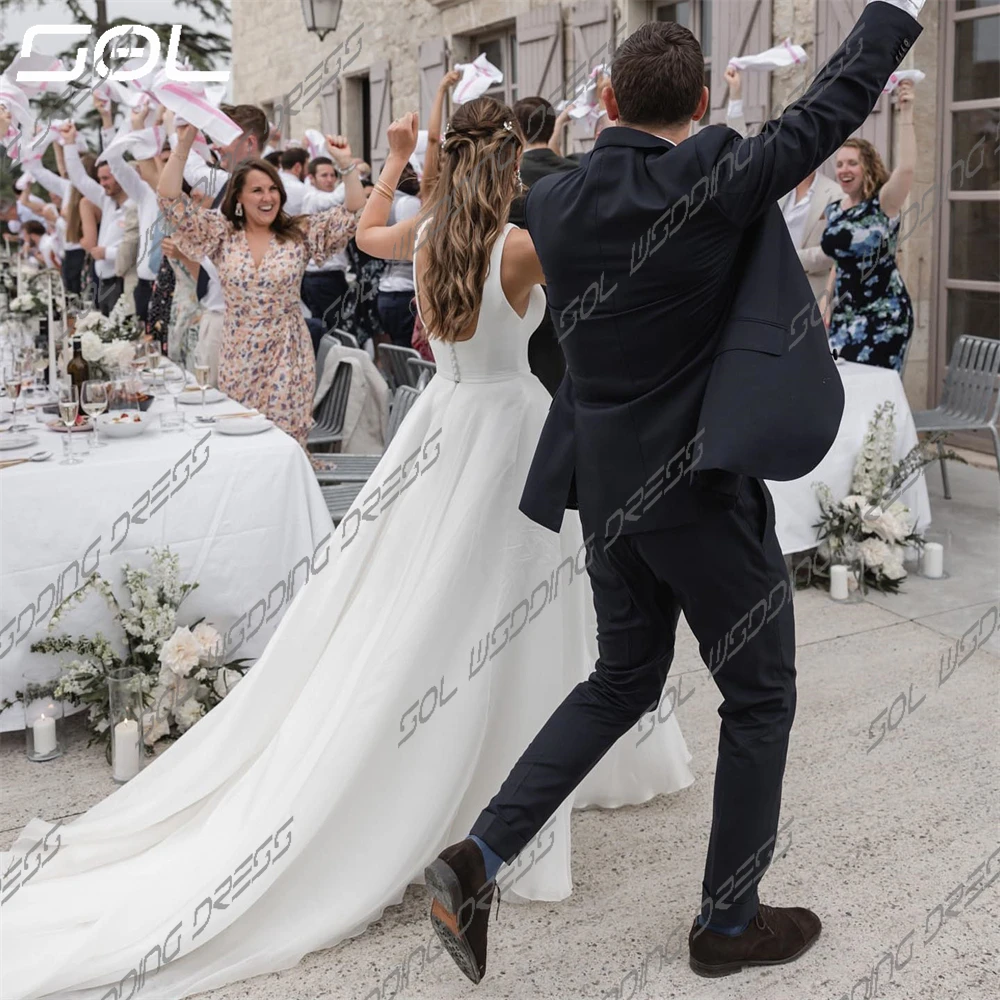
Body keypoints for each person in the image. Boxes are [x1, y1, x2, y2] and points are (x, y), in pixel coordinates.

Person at [0, 102, 695, 1000]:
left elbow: (366, 233)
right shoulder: (520, 249)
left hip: (441, 426)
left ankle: (496, 765)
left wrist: (405, 159)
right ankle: (507, 792)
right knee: (521, 604)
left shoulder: (429, 235)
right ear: (513, 173)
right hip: (512, 430)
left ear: (453, 172)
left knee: (430, 600)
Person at [427, 0, 925, 986]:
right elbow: (826, 112)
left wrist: (451, 112)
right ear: (701, 102)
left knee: (621, 679)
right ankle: (727, 922)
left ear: (607, 98)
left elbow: (481, 173)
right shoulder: (713, 171)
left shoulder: (552, 194)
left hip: (604, 492)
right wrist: (895, 14)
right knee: (760, 693)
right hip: (696, 492)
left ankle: (477, 855)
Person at [156, 124, 361, 448]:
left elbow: (352, 212)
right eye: (257, 191)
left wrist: (346, 165)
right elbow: (169, 200)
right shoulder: (221, 232)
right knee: (242, 444)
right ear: (238, 197)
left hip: (288, 353)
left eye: (273, 189)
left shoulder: (299, 231)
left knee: (284, 444)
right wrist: (182, 144)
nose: (267, 198)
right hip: (238, 354)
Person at [821, 80, 918, 372]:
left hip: (884, 316)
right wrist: (826, 300)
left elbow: (908, 169)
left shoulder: (883, 204)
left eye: (852, 163)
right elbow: (840, 262)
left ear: (867, 167)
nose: (843, 170)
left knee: (875, 397)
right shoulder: (835, 209)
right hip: (845, 315)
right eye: (839, 164)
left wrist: (907, 112)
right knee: (842, 392)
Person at [725, 67, 841, 305]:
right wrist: (735, 94)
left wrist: (786, 259)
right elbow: (740, 158)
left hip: (809, 297)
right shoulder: (773, 184)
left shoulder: (834, 193)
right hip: (765, 293)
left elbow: (832, 251)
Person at [59, 121, 128, 313]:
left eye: (106, 179)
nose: (102, 184)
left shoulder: (136, 204)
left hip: (122, 282)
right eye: (100, 180)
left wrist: (107, 121)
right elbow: (78, 178)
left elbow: (137, 246)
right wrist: (69, 143)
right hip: (103, 280)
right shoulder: (106, 201)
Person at [300, 155, 354, 329]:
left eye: (333, 175)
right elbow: (333, 200)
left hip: (330, 276)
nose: (330, 180)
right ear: (311, 178)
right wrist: (350, 172)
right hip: (321, 277)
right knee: (337, 329)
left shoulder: (326, 199)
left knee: (332, 328)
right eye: (324, 175)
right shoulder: (313, 197)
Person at [374, 163, 421, 348]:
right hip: (406, 291)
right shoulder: (409, 203)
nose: (413, 175)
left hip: (386, 290)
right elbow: (415, 244)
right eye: (405, 171)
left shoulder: (382, 205)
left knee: (398, 352)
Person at [278, 146, 309, 214]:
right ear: (297, 167)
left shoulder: (272, 181)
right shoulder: (302, 190)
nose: (308, 172)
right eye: (307, 167)